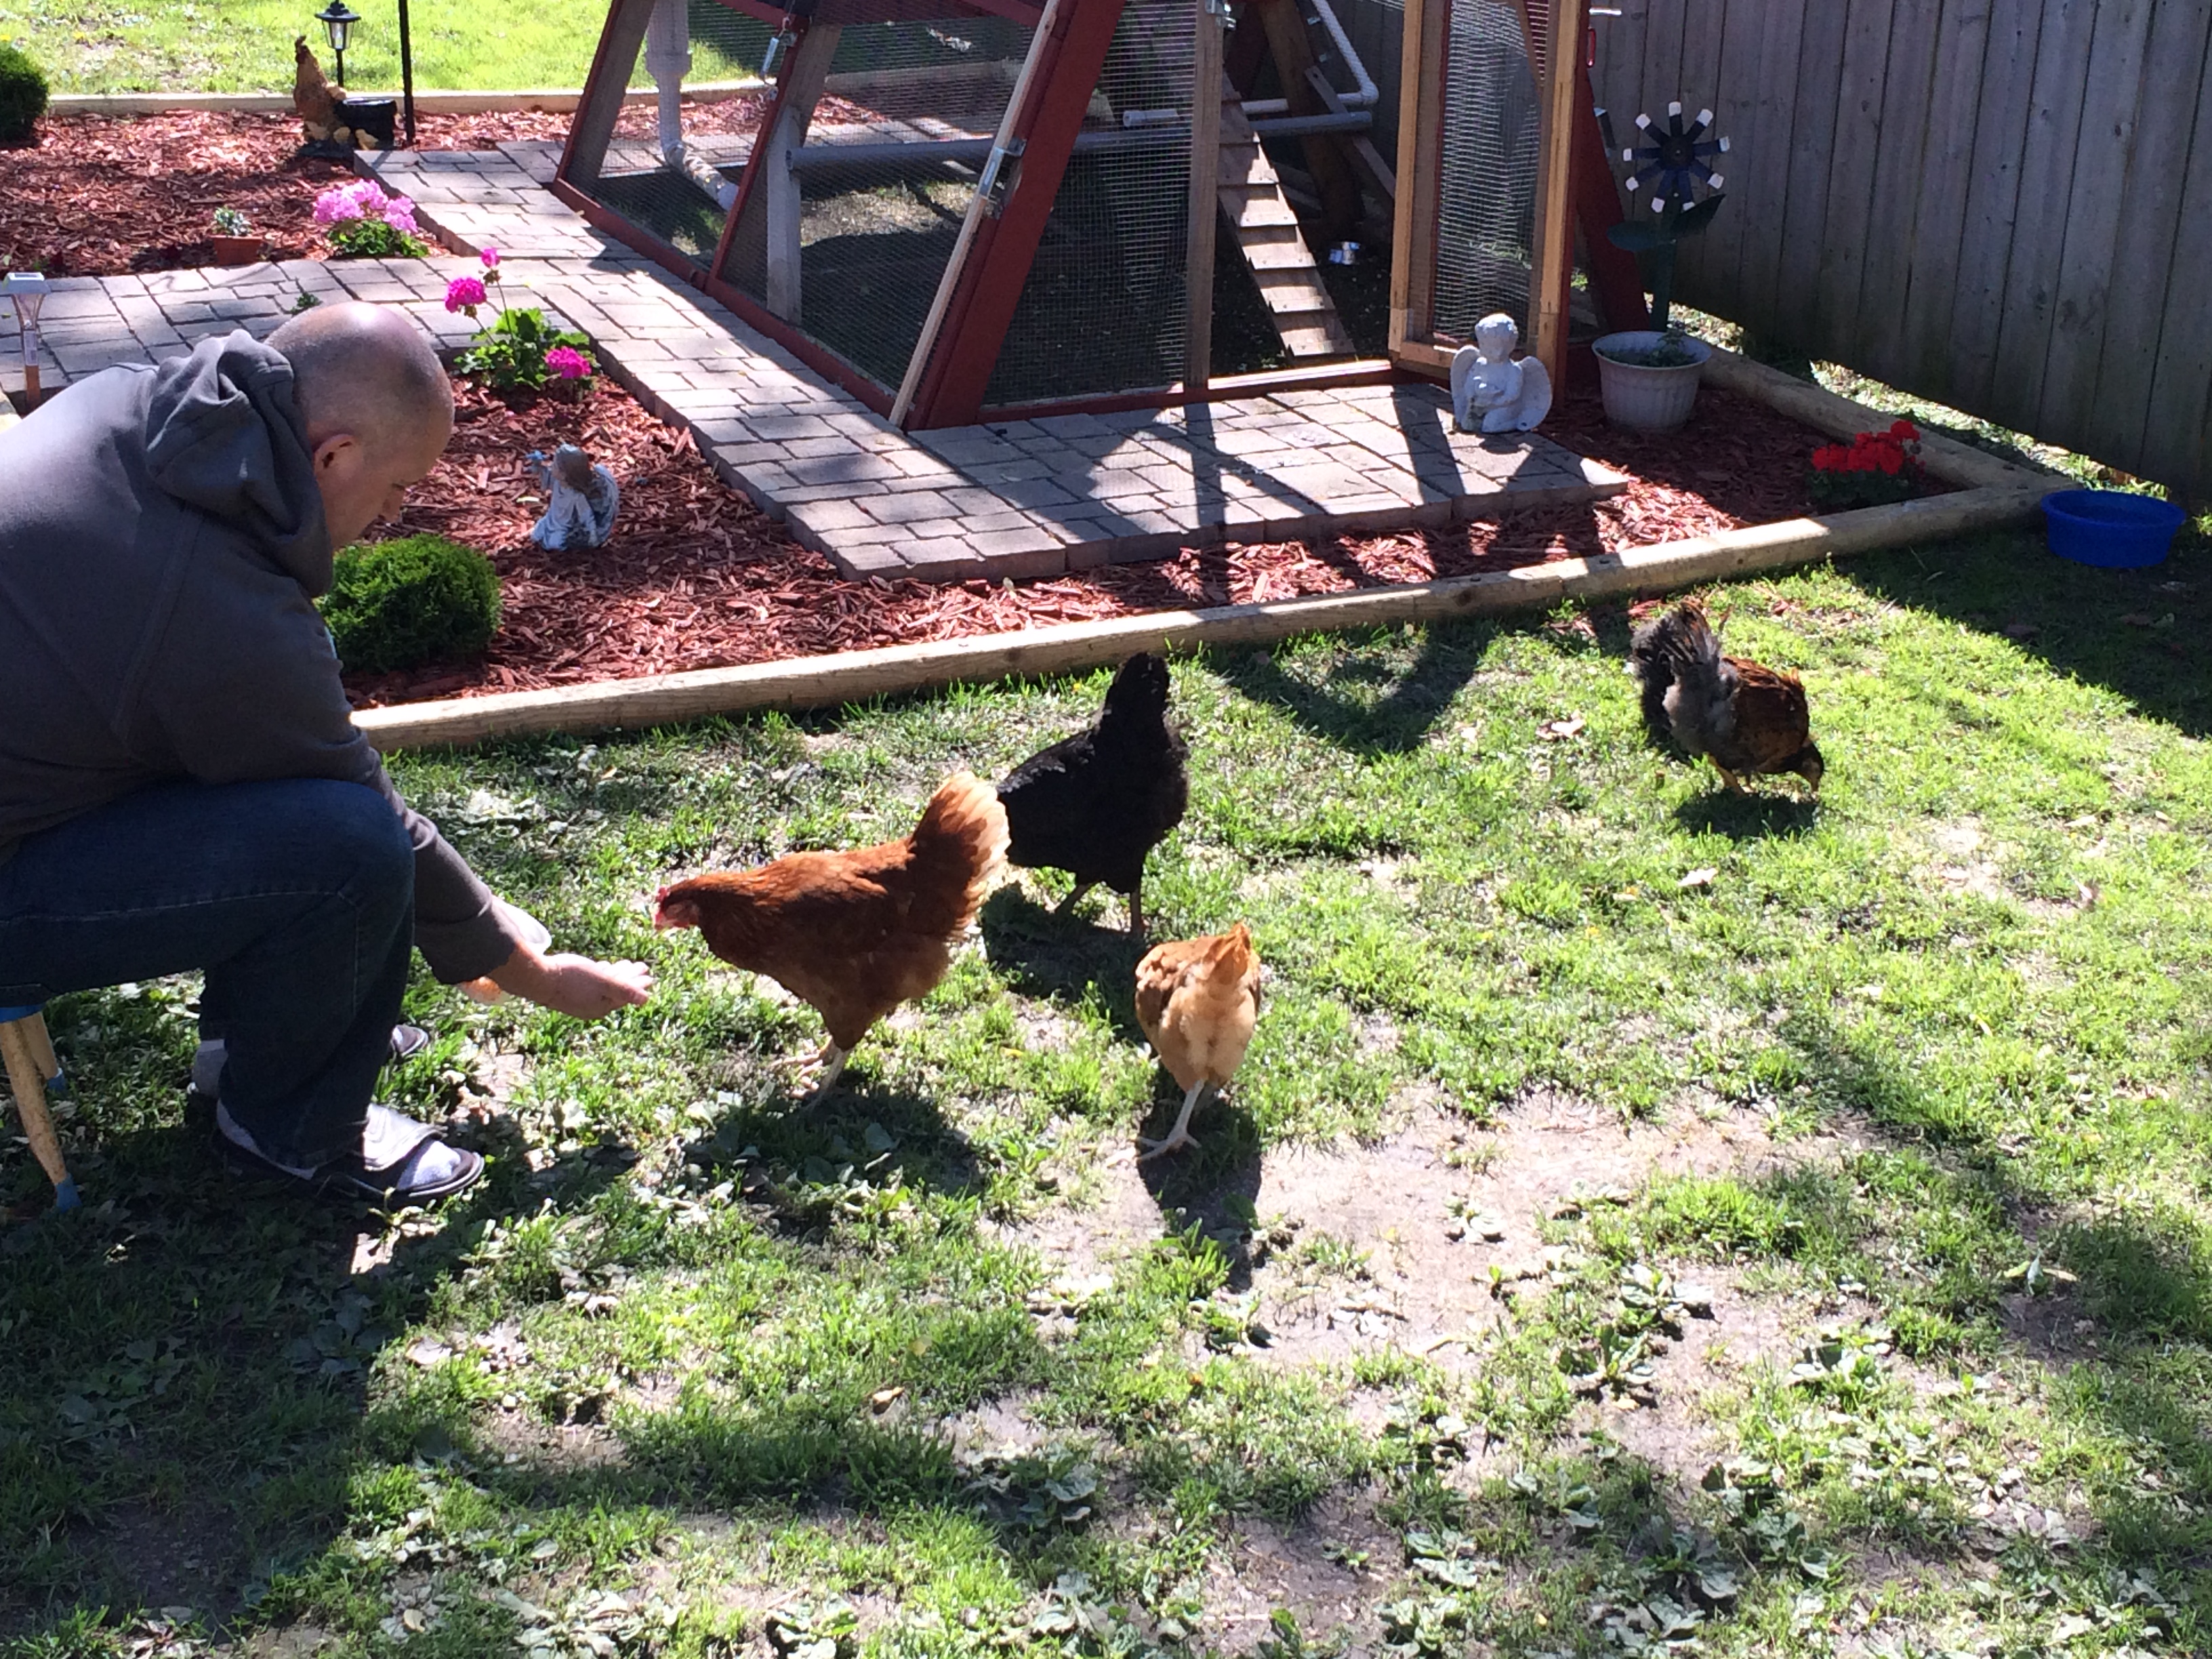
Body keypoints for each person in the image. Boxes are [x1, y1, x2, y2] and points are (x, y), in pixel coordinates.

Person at [0, 304, 653, 1204]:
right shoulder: (214, 602)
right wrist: (530, 971)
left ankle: (267, 1036)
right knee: (347, 848)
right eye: (395, 490)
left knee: (293, 793)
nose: (392, 518)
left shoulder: (136, 404)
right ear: (333, 455)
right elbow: (358, 804)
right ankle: (287, 1131)